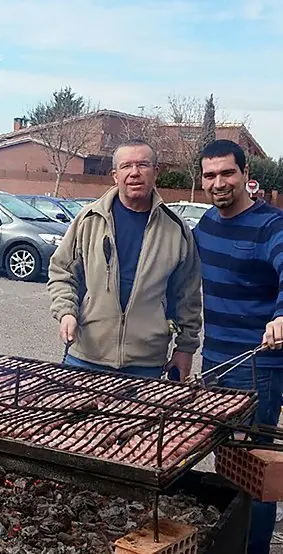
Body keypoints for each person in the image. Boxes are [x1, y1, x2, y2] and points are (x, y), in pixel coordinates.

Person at [194, 139, 283, 554]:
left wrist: (281, 315)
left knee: (255, 471)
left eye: (227, 173)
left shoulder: (271, 225)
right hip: (214, 363)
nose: (219, 182)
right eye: (210, 175)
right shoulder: (205, 227)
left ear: (246, 175)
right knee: (226, 465)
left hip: (259, 370)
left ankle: (255, 549)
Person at [47, 139, 202, 378]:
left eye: (143, 165)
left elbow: (187, 296)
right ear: (114, 175)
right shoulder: (89, 220)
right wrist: (66, 311)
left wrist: (185, 348)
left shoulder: (176, 230)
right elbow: (62, 272)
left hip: (146, 364)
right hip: (85, 356)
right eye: (126, 166)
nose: (134, 173)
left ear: (156, 172)